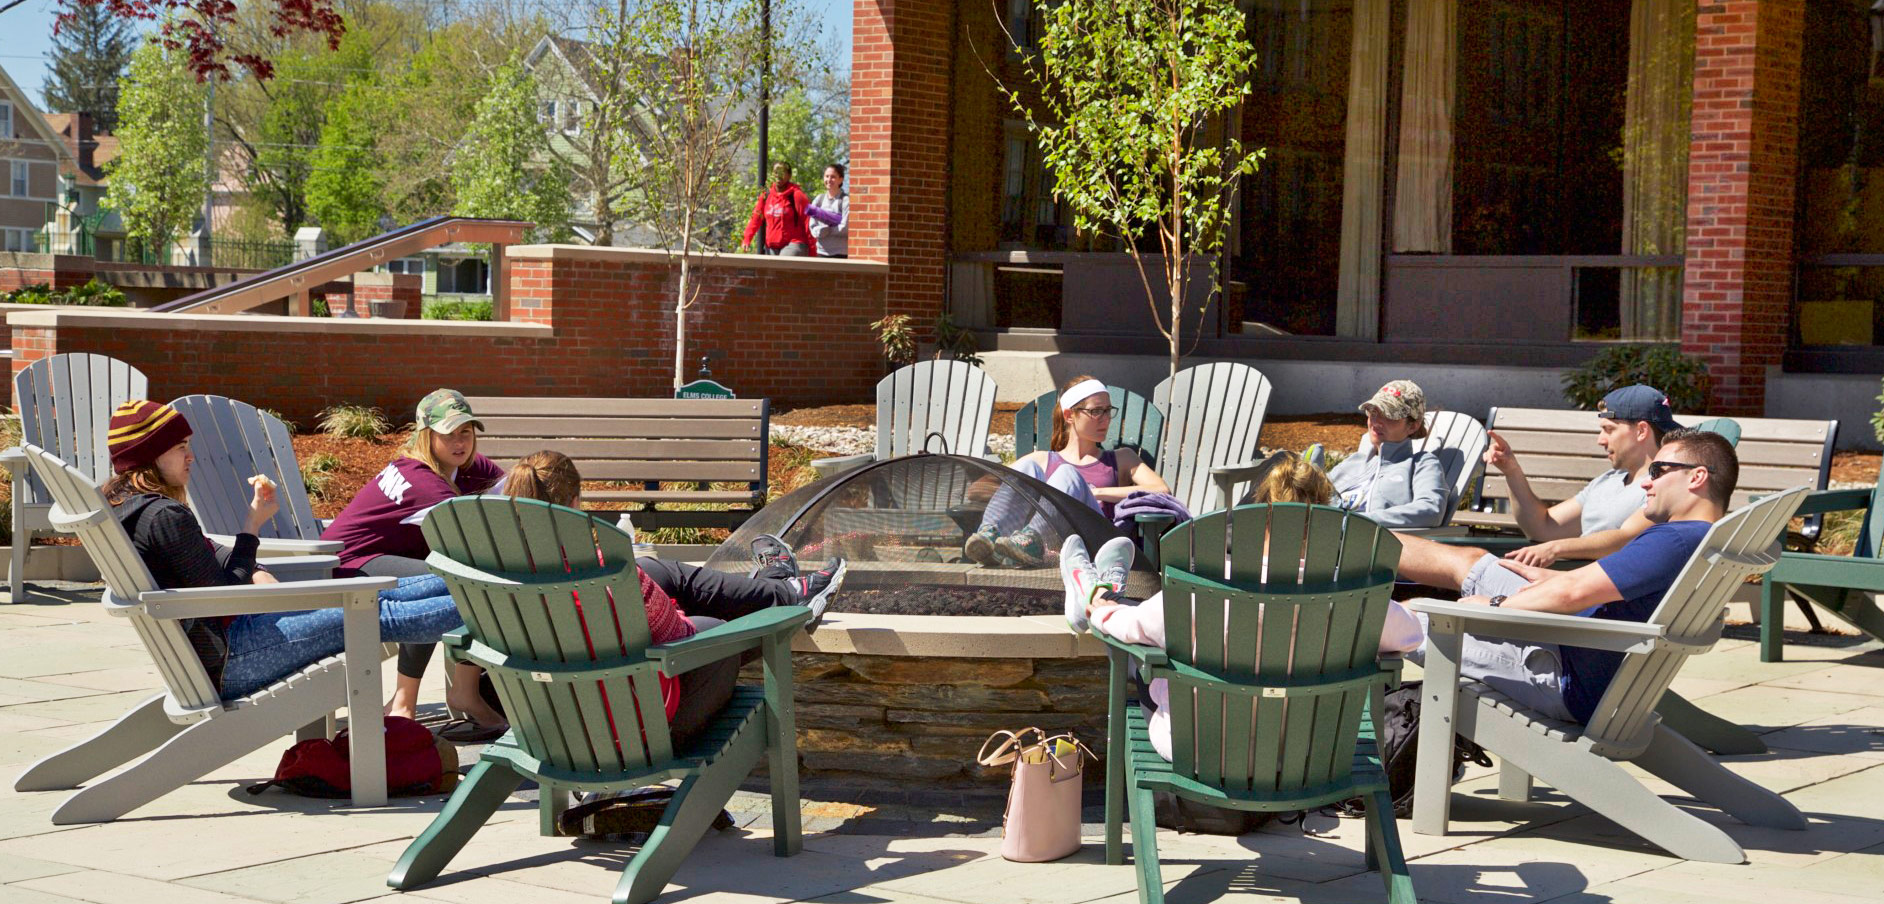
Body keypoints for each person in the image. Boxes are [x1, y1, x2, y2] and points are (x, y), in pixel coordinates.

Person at [1060, 452, 1424, 761]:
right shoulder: (1349, 596)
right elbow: (1411, 635)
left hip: (1201, 749)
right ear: (1328, 521)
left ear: (1259, 517)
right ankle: (1099, 589)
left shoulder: (1210, 585)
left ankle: (1093, 593)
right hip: (1310, 755)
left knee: (1135, 649)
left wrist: (1104, 612)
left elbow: (1134, 629)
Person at [104, 400, 469, 703]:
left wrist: (255, 563)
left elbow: (213, 560)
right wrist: (251, 526)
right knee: (376, 613)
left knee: (386, 594)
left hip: (220, 651)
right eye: (180, 446)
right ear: (150, 454)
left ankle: (488, 596)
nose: (191, 456)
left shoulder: (133, 509)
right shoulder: (164, 517)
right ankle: (505, 607)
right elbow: (227, 591)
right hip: (235, 657)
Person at [1392, 427, 1734, 723]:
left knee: (1408, 617)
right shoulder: (1699, 539)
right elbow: (1587, 590)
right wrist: (1553, 581)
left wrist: (1495, 605)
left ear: (1697, 476)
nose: (1647, 481)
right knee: (1473, 561)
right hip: (1583, 651)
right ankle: (1350, 539)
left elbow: (1573, 595)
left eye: (1659, 470)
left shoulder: (1674, 540)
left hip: (1563, 674)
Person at [320, 389, 508, 734]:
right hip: (345, 568)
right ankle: (419, 700)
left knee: (454, 578)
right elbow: (479, 539)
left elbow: (512, 492)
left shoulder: (462, 467)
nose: (459, 442)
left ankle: (454, 694)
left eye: (466, 432)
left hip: (378, 561)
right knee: (460, 582)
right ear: (426, 435)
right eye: (448, 433)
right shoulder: (424, 483)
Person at [1465, 383, 1680, 568]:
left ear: (1641, 431)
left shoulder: (1665, 485)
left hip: (1597, 593)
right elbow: (1543, 528)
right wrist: (1512, 472)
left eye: (1609, 429)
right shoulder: (1608, 480)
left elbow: (1626, 540)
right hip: (1567, 580)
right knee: (1471, 564)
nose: (1600, 440)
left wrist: (1556, 548)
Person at [965, 376, 1170, 566]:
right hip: (1054, 548)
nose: (1105, 419)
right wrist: (1027, 495)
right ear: (1069, 415)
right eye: (1096, 411)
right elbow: (977, 490)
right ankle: (989, 540)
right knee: (1027, 469)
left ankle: (1033, 541)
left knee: (1067, 474)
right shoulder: (1041, 461)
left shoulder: (1121, 458)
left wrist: (1093, 493)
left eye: (1108, 411)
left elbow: (1161, 490)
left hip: (1097, 546)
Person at [1325, 380, 1448, 529]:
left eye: (1389, 415)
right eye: (1373, 412)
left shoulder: (1421, 464)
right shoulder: (1353, 463)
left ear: (1413, 426)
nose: (1376, 422)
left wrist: (1357, 522)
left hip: (1376, 545)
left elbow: (1431, 511)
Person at [740, 162, 814, 256]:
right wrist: (747, 239)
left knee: (782, 263)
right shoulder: (766, 195)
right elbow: (756, 217)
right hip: (771, 245)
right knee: (769, 269)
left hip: (794, 243)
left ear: (789, 175)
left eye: (782, 172)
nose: (779, 175)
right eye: (776, 172)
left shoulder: (797, 195)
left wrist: (813, 251)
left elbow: (808, 222)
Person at [806, 163, 849, 258]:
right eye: (827, 176)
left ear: (841, 179)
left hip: (840, 253)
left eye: (833, 177)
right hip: (821, 252)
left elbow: (845, 227)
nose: (829, 180)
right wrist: (819, 231)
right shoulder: (819, 199)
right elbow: (812, 225)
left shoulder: (845, 200)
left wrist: (827, 230)